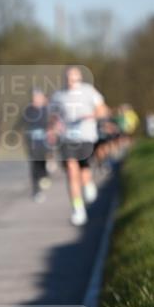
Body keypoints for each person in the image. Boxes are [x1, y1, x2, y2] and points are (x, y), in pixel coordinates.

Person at [48, 66, 106, 227]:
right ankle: (78, 209)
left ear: (79, 78)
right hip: (67, 139)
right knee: (71, 171)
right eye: (68, 77)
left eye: (74, 77)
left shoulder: (88, 91)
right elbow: (52, 116)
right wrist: (53, 128)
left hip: (86, 136)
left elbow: (102, 110)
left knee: (84, 172)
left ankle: (88, 184)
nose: (71, 80)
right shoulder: (58, 96)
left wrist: (91, 115)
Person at [22, 89, 51, 201]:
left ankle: (45, 175)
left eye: (38, 97)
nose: (36, 99)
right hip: (32, 143)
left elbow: (52, 125)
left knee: (42, 162)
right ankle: (36, 190)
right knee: (34, 165)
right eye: (34, 97)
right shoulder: (28, 110)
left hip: (44, 143)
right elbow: (22, 123)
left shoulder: (47, 110)